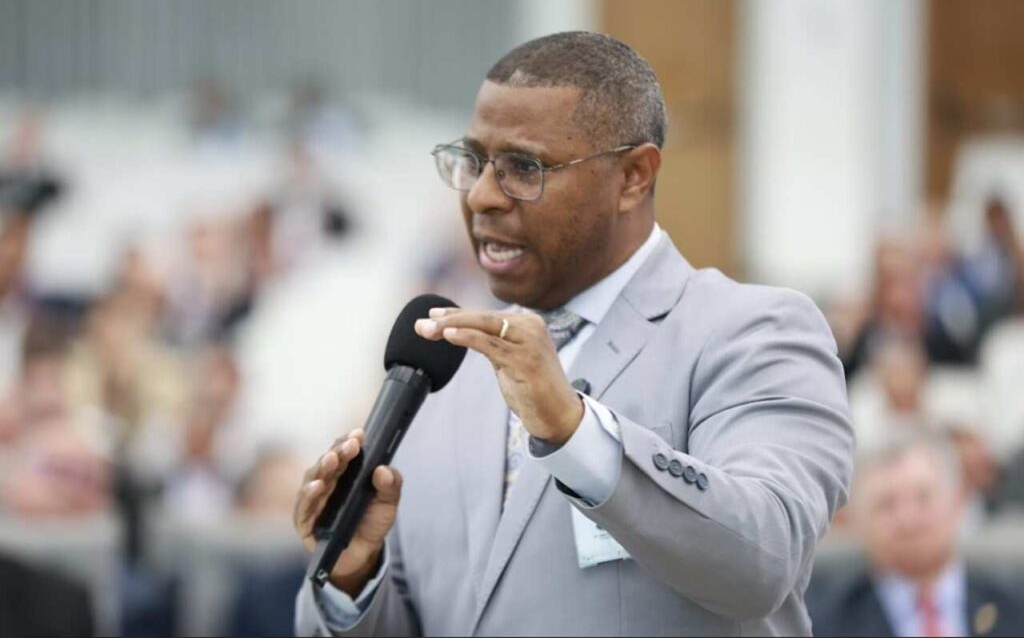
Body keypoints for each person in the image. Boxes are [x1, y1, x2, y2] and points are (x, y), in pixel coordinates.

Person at [293, 31, 854, 636]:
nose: (481, 196)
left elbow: (762, 563)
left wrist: (576, 432)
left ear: (634, 177)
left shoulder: (755, 333)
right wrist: (355, 576)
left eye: (522, 168)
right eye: (474, 162)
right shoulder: (447, 362)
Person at [807, 432, 1024, 637]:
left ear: (958, 502)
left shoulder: (1014, 606)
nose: (908, 520)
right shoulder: (823, 624)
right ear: (856, 521)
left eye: (924, 498)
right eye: (886, 505)